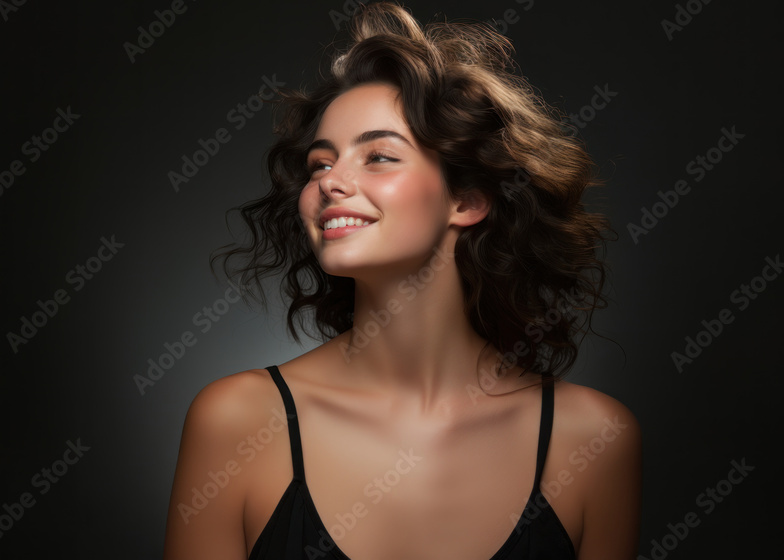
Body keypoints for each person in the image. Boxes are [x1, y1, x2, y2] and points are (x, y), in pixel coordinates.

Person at [163, 2, 641, 559]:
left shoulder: (592, 439)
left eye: (379, 156)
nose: (331, 182)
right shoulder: (237, 422)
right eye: (320, 163)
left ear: (466, 200)